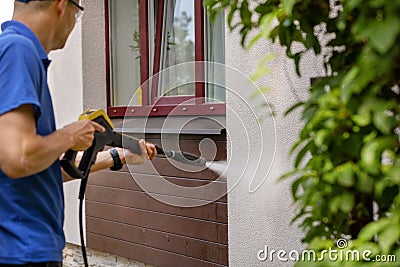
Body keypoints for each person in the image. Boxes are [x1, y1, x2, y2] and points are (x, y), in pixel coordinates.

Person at [0, 0, 157, 266]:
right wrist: (69, 136)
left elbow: (38, 168)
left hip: (27, 249)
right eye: (78, 12)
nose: (75, 22)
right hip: (21, 251)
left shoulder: (18, 52)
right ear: (62, 6)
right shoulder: (17, 50)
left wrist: (119, 156)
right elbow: (17, 159)